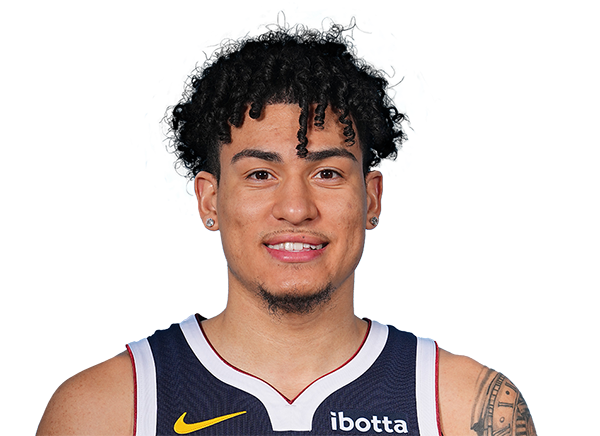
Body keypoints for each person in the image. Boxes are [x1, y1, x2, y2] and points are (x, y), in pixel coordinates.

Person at [37, 11, 537, 436]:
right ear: (209, 200)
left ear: (371, 198)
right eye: (260, 174)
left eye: (327, 173)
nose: (296, 208)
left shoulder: (464, 408)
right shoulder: (105, 410)